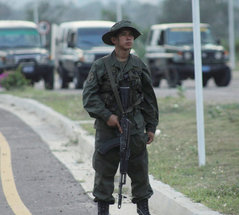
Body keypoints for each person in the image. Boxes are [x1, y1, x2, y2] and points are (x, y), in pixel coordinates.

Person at [82, 20, 159, 215]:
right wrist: (107, 116)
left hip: (134, 126)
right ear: (114, 40)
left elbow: (149, 98)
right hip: (108, 129)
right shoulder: (101, 66)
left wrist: (151, 126)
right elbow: (89, 98)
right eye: (124, 34)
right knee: (104, 172)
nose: (129, 37)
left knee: (140, 171)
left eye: (131, 34)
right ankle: (103, 211)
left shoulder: (139, 65)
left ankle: (143, 210)